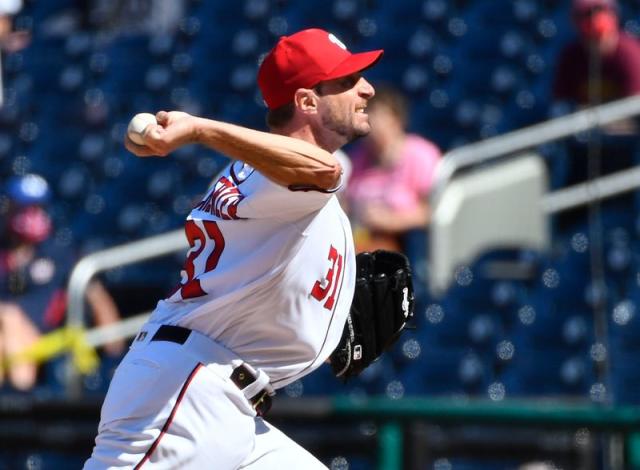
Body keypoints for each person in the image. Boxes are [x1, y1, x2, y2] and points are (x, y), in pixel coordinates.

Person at [84, 28, 382, 468]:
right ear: (306, 102)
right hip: (183, 394)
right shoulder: (283, 177)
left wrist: (330, 320)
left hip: (229, 403)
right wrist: (200, 129)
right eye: (346, 80)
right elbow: (323, 170)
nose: (367, 87)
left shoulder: (274, 182)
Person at [0, 174, 124, 390]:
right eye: (22, 208)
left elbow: (97, 298)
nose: (30, 215)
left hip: (44, 336)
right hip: (8, 338)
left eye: (36, 208)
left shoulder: (60, 254)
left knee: (7, 315)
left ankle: (21, 392)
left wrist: (116, 356)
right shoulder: (4, 252)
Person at [345, 85, 441, 259]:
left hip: (408, 249)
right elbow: (347, 204)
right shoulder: (358, 157)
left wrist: (391, 220)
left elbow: (435, 211)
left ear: (396, 120)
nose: (370, 122)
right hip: (362, 243)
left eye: (377, 115)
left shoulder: (420, 154)